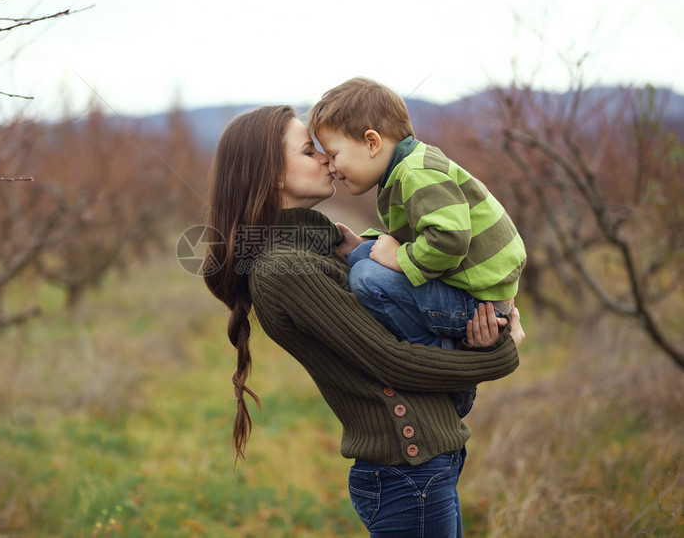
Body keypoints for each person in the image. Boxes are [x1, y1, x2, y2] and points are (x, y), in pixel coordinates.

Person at [203, 104, 524, 537]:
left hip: (426, 464)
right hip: (406, 472)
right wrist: (499, 358)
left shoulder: (319, 248)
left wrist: (474, 339)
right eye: (308, 151)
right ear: (272, 175)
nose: (326, 158)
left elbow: (411, 328)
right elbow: (392, 361)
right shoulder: (283, 269)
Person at [308, 77, 527, 418]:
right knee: (365, 257)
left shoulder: (416, 172)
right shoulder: (407, 169)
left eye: (334, 155)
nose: (332, 168)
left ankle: (445, 372)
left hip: (479, 303)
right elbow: (419, 234)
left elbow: (450, 239)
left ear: (371, 142)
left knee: (367, 276)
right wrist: (364, 243)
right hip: (466, 287)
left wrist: (395, 257)